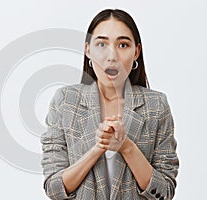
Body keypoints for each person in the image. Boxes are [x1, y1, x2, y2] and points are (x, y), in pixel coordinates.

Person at [41, 8, 179, 200]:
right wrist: (98, 148)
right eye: (102, 44)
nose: (112, 56)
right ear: (88, 50)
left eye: (123, 45)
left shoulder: (156, 105)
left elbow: (164, 192)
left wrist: (126, 146)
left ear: (136, 52)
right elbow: (54, 188)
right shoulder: (65, 101)